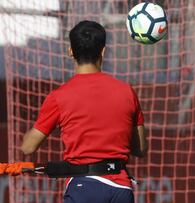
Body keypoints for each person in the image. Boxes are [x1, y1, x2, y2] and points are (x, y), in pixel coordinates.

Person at [21, 20, 147, 203]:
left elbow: (28, 147)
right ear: (103, 51)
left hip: (84, 189)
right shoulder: (127, 91)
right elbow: (140, 149)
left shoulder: (59, 96)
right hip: (121, 189)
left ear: (71, 51)